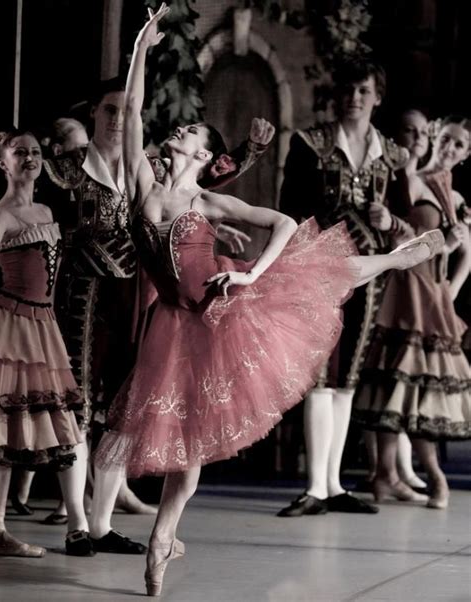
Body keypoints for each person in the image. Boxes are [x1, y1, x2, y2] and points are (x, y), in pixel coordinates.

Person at [94, 6, 444, 595]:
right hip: (174, 325)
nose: (176, 133)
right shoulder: (143, 184)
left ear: (204, 156)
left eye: (188, 134)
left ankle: (390, 257)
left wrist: (251, 275)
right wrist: (138, 53)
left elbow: (283, 223)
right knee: (184, 438)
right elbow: (132, 113)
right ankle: (159, 532)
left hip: (225, 305)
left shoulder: (206, 202)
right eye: (179, 131)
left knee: (314, 270)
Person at [42, 74, 268, 551]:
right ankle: (79, 521)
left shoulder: (151, 165)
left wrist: (211, 229)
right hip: (84, 296)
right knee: (79, 403)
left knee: (124, 409)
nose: (119, 118)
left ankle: (105, 521)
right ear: (94, 114)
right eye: (110, 109)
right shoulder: (72, 168)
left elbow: (201, 188)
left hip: (142, 298)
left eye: (126, 111)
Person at [277, 57, 417, 517]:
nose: (354, 99)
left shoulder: (394, 156)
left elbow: (409, 227)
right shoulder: (309, 144)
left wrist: (390, 220)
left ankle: (333, 484)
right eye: (348, 90)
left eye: (363, 91)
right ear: (336, 95)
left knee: (348, 378)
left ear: (377, 96)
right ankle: (316, 484)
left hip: (370, 277)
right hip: (319, 273)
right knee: (321, 374)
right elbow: (290, 212)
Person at [353, 115, 471, 509]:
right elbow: (401, 234)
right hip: (405, 287)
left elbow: (464, 256)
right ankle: (386, 473)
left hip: (431, 296)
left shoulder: (455, 199)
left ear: (466, 154)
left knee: (418, 390)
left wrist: (447, 295)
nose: (449, 148)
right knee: (395, 384)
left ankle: (430, 476)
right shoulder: (413, 178)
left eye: (459, 145)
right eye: (447, 139)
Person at [0, 130, 93, 557]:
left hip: (43, 326)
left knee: (24, 426)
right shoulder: (0, 214)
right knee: (2, 426)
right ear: (3, 162)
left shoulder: (46, 208)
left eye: (35, 152)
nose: (30, 158)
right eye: (20, 152)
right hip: (11, 324)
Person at [361, 109, 431, 494]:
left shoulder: (425, 178)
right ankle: (381, 469)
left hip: (417, 283)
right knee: (382, 371)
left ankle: (399, 469)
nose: (417, 137)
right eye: (409, 130)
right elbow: (396, 227)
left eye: (423, 131)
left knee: (403, 376)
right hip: (390, 276)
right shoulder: (390, 173)